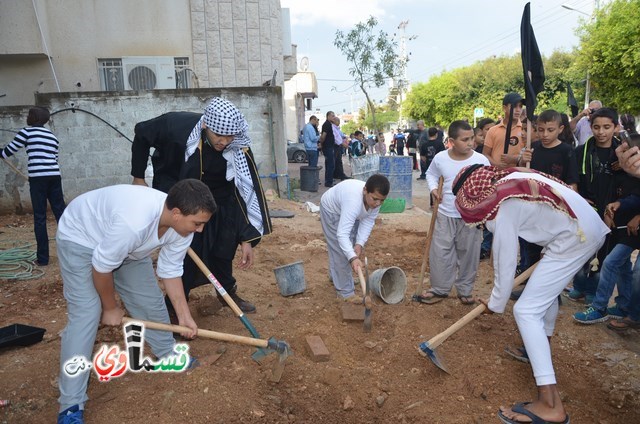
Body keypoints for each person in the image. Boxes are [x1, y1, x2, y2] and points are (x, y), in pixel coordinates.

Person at [454, 165, 608, 424]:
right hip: (581, 230)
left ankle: (550, 404)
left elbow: (504, 258)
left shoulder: (501, 204)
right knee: (542, 297)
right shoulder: (511, 181)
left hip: (574, 237)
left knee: (525, 310)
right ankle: (538, 350)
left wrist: (496, 302)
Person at [56, 179, 216, 424]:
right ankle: (70, 404)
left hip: (130, 249)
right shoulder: (134, 222)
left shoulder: (182, 228)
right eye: (197, 223)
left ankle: (167, 354)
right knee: (87, 313)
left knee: (149, 301)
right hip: (81, 238)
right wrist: (109, 307)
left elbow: (171, 270)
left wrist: (184, 316)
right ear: (176, 213)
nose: (200, 230)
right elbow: (101, 267)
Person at [131, 98, 272, 314]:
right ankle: (175, 306)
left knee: (224, 246)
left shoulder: (238, 147)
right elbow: (141, 133)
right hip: (181, 192)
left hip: (219, 199)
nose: (224, 142)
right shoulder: (175, 126)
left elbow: (244, 192)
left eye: (230, 136)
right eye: (218, 135)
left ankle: (226, 292)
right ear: (206, 125)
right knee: (185, 251)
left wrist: (245, 237)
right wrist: (138, 177)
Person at [415, 121, 489, 305]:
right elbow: (431, 174)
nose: (470, 142)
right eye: (465, 139)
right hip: (445, 213)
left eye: (472, 138)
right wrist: (433, 190)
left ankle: (465, 290)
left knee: (469, 254)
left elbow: (489, 186)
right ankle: (440, 289)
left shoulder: (481, 160)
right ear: (452, 141)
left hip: (470, 217)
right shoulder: (440, 158)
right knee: (440, 252)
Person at [568, 107, 625, 303]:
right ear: (590, 127)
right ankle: (579, 285)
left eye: (607, 127)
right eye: (597, 127)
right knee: (582, 247)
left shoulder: (622, 153)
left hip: (613, 209)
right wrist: (580, 200)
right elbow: (573, 180)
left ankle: (594, 290)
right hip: (587, 207)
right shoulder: (580, 152)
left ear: (615, 127)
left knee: (604, 251)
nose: (601, 132)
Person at [1, 106, 66, 266]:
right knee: (62, 215)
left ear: (33, 118)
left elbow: (8, 151)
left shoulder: (27, 132)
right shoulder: (52, 136)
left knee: (40, 217)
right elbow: (55, 158)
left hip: (38, 179)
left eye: (29, 115)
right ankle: (72, 253)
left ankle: (43, 259)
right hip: (54, 176)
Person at [320, 174, 389, 302]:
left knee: (350, 246)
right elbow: (342, 234)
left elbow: (368, 221)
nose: (378, 203)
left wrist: (359, 244)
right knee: (341, 251)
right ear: (365, 190)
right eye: (375, 199)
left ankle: (336, 276)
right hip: (332, 210)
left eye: (382, 200)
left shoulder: (373, 201)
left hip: (347, 209)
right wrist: (352, 258)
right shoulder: (353, 202)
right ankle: (345, 293)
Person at [482, 93, 524, 169]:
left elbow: (529, 155)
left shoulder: (525, 130)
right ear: (504, 108)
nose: (518, 110)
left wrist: (514, 159)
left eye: (520, 106)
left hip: (519, 174)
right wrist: (497, 165)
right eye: (514, 106)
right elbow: (485, 154)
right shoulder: (492, 130)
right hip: (497, 175)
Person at [320, 111, 337, 187]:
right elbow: (323, 136)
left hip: (329, 147)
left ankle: (329, 180)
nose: (334, 117)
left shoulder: (329, 124)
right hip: (328, 147)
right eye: (333, 116)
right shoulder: (326, 124)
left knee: (329, 164)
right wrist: (321, 143)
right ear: (328, 116)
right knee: (330, 164)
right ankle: (328, 182)